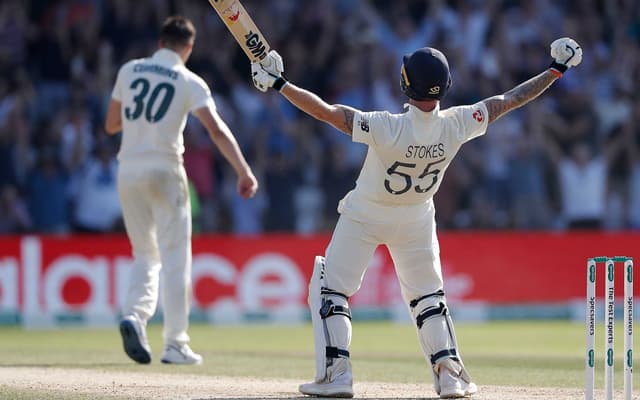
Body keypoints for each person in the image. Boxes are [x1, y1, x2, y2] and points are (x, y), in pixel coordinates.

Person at [250, 38, 582, 398]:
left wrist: (280, 84)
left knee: (332, 291)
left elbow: (327, 112)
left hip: (366, 213)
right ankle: (450, 375)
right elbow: (510, 100)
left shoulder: (385, 126)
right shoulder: (457, 123)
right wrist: (556, 69)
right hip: (417, 216)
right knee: (428, 297)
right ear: (447, 85)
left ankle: (337, 375)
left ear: (405, 83)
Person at [105, 16, 258, 365]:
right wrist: (244, 171)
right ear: (188, 48)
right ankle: (175, 344)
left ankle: (135, 315)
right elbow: (216, 131)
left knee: (145, 254)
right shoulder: (190, 81)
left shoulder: (129, 70)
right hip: (166, 169)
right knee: (175, 258)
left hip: (128, 168)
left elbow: (112, 124)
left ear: (160, 44)